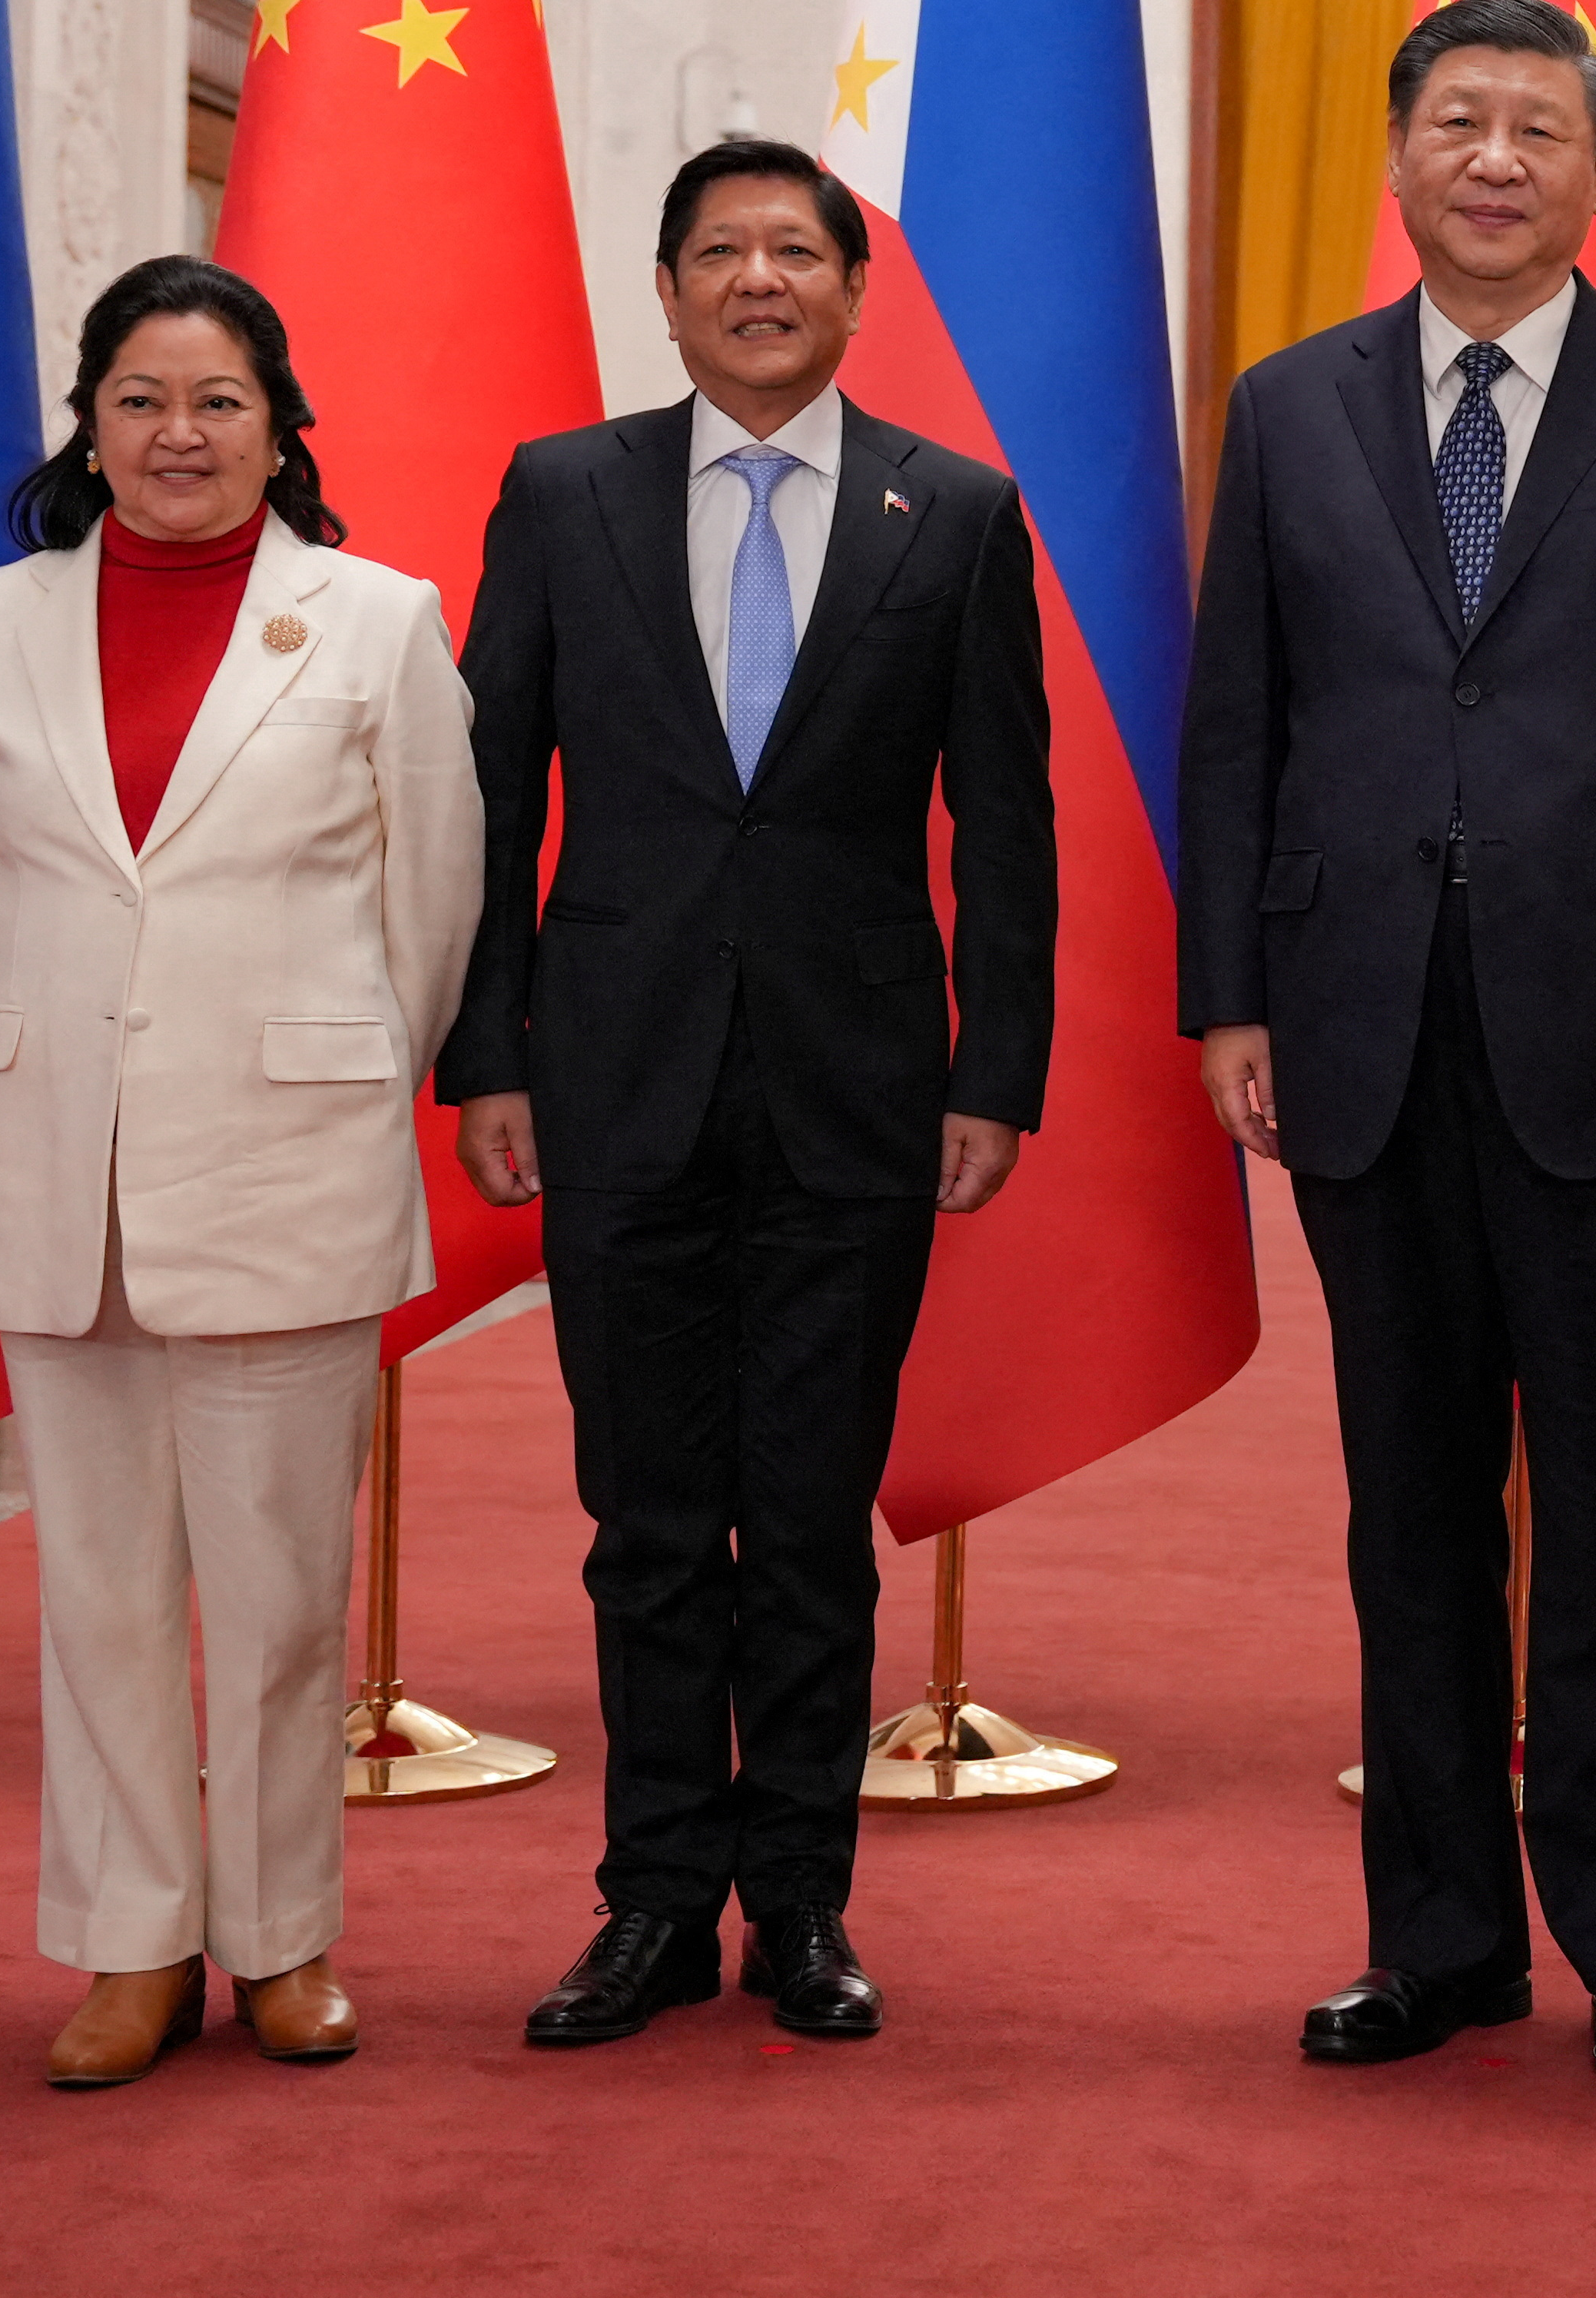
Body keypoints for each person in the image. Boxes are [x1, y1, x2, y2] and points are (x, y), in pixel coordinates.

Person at [1180, 0, 1596, 2090]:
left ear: (1595, 167)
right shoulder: (1288, 412)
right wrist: (1228, 990)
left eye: (1533, 128)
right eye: (1454, 122)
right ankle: (1440, 1938)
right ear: (1396, 156)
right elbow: (1237, 730)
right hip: (1361, 1025)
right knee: (1410, 1510)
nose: (1490, 158)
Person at [443, 137, 1053, 2053]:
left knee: (803, 1514)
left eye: (799, 249)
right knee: (643, 1514)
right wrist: (488, 1048)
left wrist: (997, 1073)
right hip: (614, 1077)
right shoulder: (565, 493)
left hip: (860, 1091)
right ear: (669, 285)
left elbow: (1008, 823)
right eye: (723, 250)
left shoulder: (949, 512)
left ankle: (798, 1901)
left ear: (856, 293)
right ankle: (648, 1903)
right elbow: (491, 787)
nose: (761, 278)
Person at [0, 257, 483, 2089]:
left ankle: (283, 1937)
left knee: (281, 1589)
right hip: (58, 1158)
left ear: (278, 425)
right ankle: (129, 1942)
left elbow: (432, 912)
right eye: (145, 397)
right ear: (90, 418)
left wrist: (310, 1058)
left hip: (284, 1153)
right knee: (94, 1589)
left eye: (221, 400)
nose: (181, 433)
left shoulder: (379, 620)